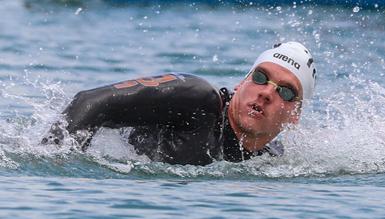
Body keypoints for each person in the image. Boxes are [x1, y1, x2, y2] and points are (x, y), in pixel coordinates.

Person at [42, 41, 317, 165]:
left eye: (286, 92)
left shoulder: (269, 160)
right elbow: (88, 102)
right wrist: (54, 165)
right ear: (241, 84)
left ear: (295, 115)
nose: (266, 92)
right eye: (260, 77)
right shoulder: (197, 100)